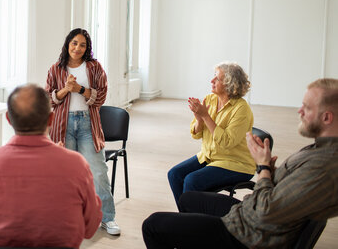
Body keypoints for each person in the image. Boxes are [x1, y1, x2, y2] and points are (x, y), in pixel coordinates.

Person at [142, 78, 338, 249]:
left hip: (248, 236)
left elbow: (265, 212)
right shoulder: (319, 150)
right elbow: (290, 189)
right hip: (247, 214)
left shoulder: (324, 165)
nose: (299, 111)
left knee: (152, 225)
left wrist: (262, 167)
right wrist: (270, 169)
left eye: (307, 107)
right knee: (187, 198)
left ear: (327, 117)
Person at [0, 84, 102, 248]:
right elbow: (90, 228)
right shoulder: (76, 164)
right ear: (51, 118)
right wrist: (65, 162)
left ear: (9, 119)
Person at [45, 28, 120, 235]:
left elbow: (101, 97)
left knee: (98, 171)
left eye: (82, 45)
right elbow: (49, 98)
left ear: (87, 49)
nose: (77, 48)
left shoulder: (94, 67)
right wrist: (65, 90)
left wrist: (78, 88)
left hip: (88, 124)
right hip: (63, 126)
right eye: (74, 43)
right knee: (65, 174)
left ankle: (108, 218)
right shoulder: (56, 69)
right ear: (68, 44)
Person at [167, 62, 255, 209]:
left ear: (229, 84)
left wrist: (206, 116)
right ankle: (187, 219)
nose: (212, 81)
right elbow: (196, 134)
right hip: (210, 156)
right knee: (174, 174)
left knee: (192, 181)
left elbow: (227, 142)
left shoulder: (242, 109)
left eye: (217, 79)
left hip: (236, 164)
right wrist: (200, 118)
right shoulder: (210, 99)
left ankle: (191, 223)